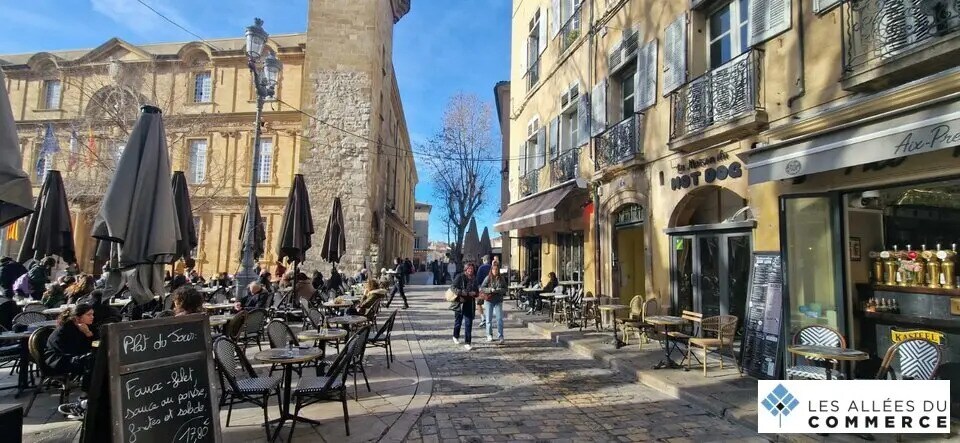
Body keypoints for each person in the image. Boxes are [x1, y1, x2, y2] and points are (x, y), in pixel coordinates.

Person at [46, 303, 96, 420]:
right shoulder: (66, 330)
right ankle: (83, 400)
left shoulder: (88, 327)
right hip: (59, 360)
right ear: (78, 318)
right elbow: (72, 351)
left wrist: (88, 334)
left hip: (75, 358)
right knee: (91, 362)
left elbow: (95, 345)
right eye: (88, 314)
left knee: (97, 361)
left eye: (92, 314)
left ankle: (87, 402)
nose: (92, 317)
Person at [450, 262, 479, 350]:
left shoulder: (474, 278)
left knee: (468, 323)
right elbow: (453, 287)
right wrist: (462, 292)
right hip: (460, 302)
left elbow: (477, 290)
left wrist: (475, 293)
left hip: (470, 303)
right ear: (466, 269)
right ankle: (455, 335)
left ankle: (468, 342)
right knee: (458, 321)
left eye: (472, 269)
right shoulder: (460, 276)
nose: (470, 270)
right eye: (469, 268)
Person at [480, 261, 507, 344]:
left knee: (499, 319)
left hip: (498, 300)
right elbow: (482, 287)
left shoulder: (501, 278)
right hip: (489, 300)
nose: (495, 271)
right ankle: (489, 334)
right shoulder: (488, 278)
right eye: (493, 269)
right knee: (488, 319)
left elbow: (505, 289)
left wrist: (499, 290)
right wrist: (490, 290)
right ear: (491, 270)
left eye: (496, 269)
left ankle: (501, 336)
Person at [475, 256, 491, 328]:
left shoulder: (481, 268)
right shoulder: (492, 267)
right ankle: (488, 319)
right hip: (490, 289)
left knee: (479, 303)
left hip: (482, 288)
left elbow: (478, 278)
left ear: (484, 260)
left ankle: (483, 318)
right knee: (489, 304)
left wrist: (477, 287)